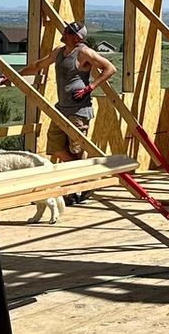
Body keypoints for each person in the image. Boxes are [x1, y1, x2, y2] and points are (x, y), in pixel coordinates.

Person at [27, 21, 115, 203]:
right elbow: (38, 65)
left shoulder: (84, 53)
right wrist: (14, 74)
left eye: (68, 31)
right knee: (56, 147)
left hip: (79, 111)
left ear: (77, 38)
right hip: (61, 109)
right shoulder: (59, 52)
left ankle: (76, 191)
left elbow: (110, 68)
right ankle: (86, 179)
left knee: (76, 150)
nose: (64, 32)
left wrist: (89, 87)